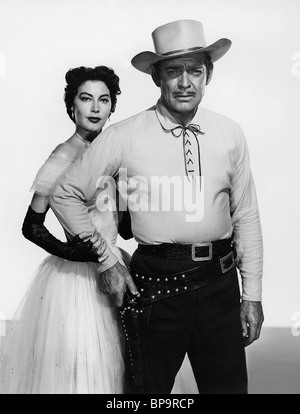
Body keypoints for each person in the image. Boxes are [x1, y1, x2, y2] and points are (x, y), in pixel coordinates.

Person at [51, 20, 264, 395]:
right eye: (173, 71)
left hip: (220, 284)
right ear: (156, 78)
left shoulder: (230, 133)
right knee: (145, 397)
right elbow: (65, 193)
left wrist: (254, 294)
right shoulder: (124, 135)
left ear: (208, 74)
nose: (185, 83)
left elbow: (245, 214)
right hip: (157, 287)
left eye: (195, 70)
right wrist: (107, 260)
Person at [0, 66, 127, 394]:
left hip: (113, 265)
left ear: (113, 107)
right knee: (82, 370)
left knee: (116, 369)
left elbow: (118, 221)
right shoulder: (64, 154)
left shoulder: (112, 153)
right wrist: (72, 252)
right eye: (86, 99)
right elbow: (31, 226)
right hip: (76, 282)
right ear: (72, 106)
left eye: (104, 100)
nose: (96, 108)